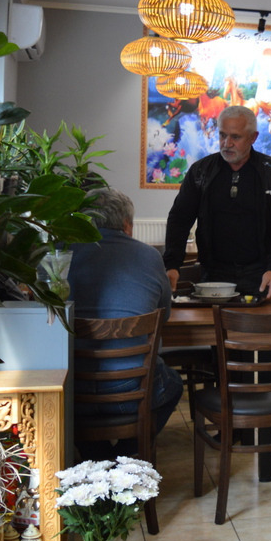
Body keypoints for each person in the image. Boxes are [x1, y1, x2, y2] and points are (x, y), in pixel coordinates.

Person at [68, 187, 182, 460]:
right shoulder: (150, 256)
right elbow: (163, 315)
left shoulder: (63, 254)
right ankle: (126, 457)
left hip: (74, 392)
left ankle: (97, 460)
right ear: (127, 224)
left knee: (71, 408)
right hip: (132, 393)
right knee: (174, 385)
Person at [163, 105, 271, 304]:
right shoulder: (201, 172)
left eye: (235, 137)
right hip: (213, 274)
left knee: (270, 324)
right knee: (209, 325)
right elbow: (179, 219)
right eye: (222, 135)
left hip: (260, 274)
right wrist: (172, 264)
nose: (227, 143)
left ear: (253, 138)